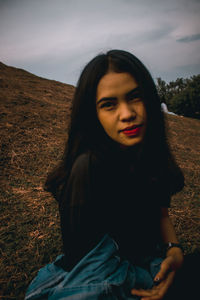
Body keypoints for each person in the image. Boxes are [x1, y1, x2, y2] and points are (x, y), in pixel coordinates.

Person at [25, 50, 199, 300]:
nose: (127, 113)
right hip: (106, 279)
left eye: (134, 97)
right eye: (109, 104)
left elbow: (161, 213)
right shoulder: (88, 169)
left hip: (148, 264)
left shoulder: (149, 151)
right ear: (93, 115)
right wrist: (150, 281)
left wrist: (174, 250)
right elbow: (88, 268)